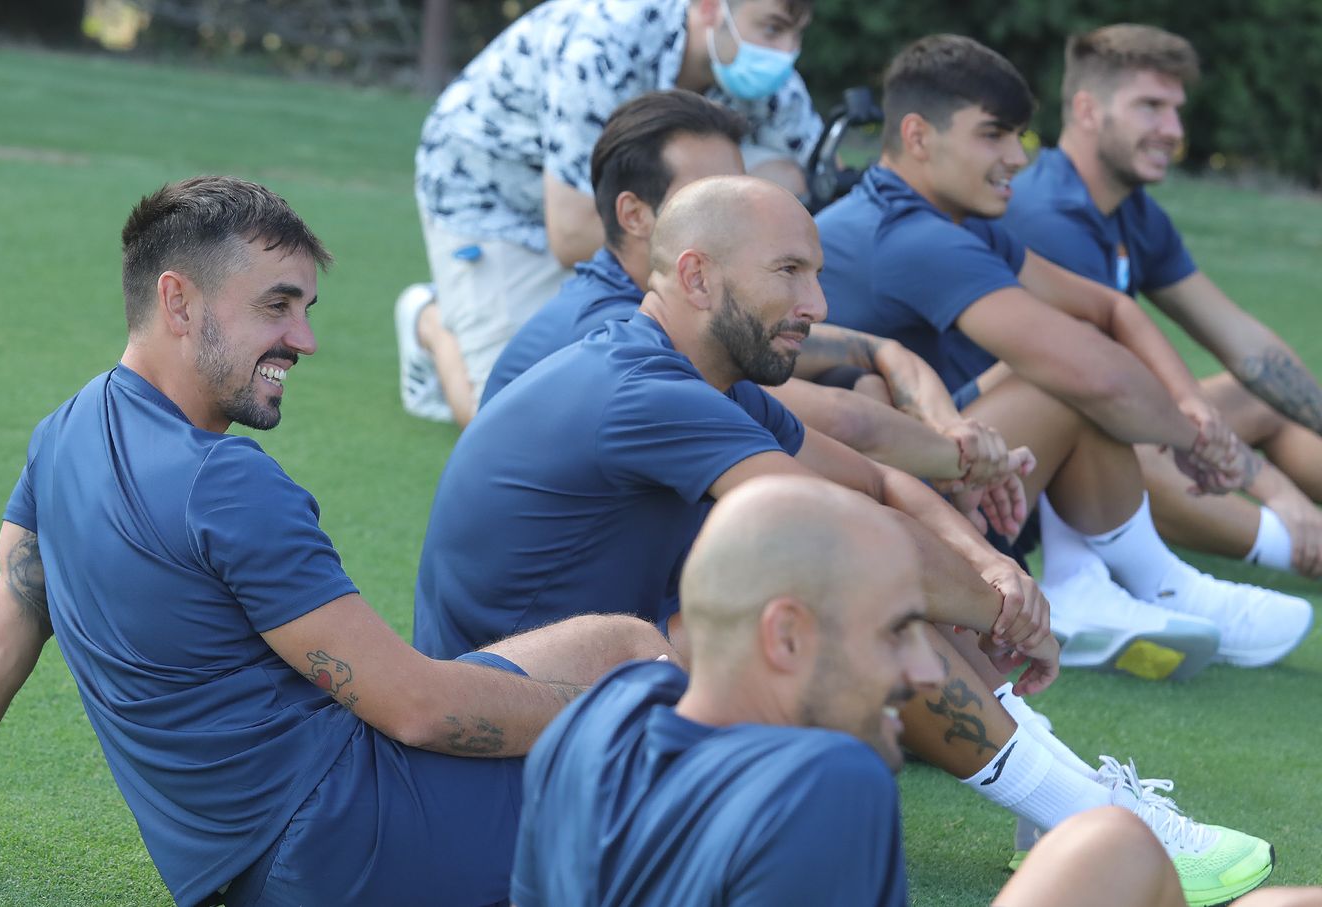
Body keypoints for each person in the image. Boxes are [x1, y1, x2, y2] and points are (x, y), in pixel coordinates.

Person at [0, 177, 678, 907]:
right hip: (365, 849)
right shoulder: (227, 481)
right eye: (278, 306)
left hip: (246, 875)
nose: (307, 339)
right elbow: (422, 711)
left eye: (307, 307)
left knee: (599, 653)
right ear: (178, 299)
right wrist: (629, 723)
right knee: (646, 690)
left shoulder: (63, 435)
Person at [412, 175, 1271, 898]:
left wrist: (987, 573)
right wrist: (1004, 609)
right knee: (849, 597)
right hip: (523, 753)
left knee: (871, 580)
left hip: (598, 700)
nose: (817, 304)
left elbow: (875, 479)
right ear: (697, 276)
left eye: (817, 272)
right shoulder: (646, 392)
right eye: (788, 270)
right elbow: (852, 538)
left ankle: (1059, 794)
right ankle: (1073, 807)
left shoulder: (694, 372)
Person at [512, 474, 1305, 907]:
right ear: (786, 635)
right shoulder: (826, 782)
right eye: (898, 631)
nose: (929, 676)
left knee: (1111, 846)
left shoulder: (601, 718)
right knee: (1111, 840)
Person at [814, 35, 1313, 674]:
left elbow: (1110, 308)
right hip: (868, 516)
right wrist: (1212, 449)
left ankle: (1109, 581)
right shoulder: (913, 236)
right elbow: (1095, 374)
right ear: (917, 136)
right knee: (1072, 380)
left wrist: (1191, 410)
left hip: (932, 473)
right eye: (993, 135)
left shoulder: (953, 219)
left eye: (1017, 136)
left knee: (1088, 371)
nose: (1016, 159)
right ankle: (1160, 578)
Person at [480, 89, 1027, 498]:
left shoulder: (691, 303)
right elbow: (841, 424)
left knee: (857, 382)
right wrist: (969, 458)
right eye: (709, 194)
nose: (740, 208)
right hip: (550, 629)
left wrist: (939, 415)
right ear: (635, 214)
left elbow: (874, 351)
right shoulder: (617, 332)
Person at [398, 0, 822, 427]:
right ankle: (432, 321)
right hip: (490, 193)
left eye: (799, 34)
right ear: (711, 7)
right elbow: (570, 234)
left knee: (781, 171)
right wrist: (722, 261)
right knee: (498, 411)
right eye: (773, 28)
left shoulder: (772, 80)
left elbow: (821, 184)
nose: (786, 51)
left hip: (612, 202)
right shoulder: (601, 44)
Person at [1002, 23, 1322, 578]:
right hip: (1038, 456)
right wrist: (1274, 490)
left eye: (1176, 110)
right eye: (1150, 107)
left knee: (1266, 396)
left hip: (1122, 422)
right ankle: (1293, 541)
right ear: (1087, 110)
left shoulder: (1135, 212)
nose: (1172, 129)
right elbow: (1117, 398)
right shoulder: (1048, 215)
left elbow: (1244, 344)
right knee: (1142, 445)